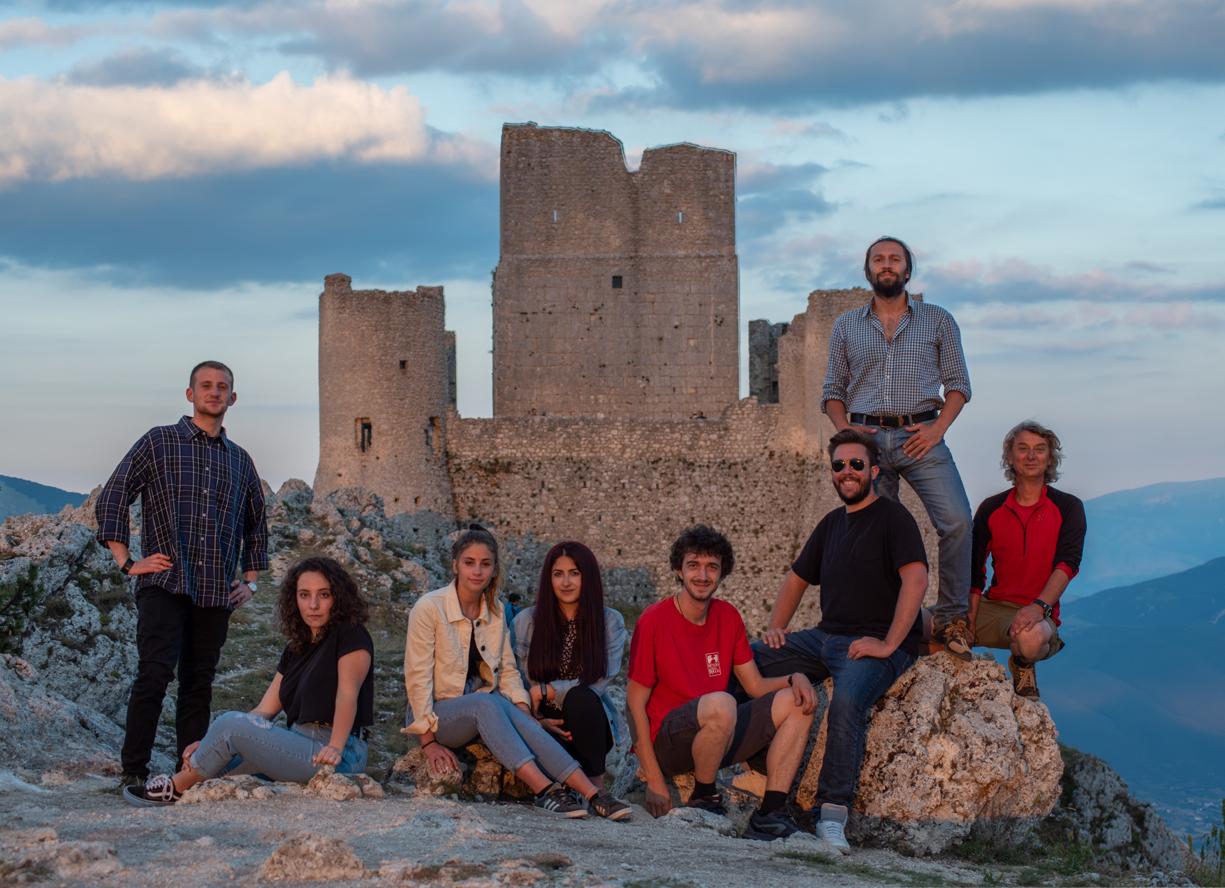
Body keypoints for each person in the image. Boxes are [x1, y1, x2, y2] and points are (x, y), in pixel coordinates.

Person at [96, 360, 268, 787]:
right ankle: (133, 772)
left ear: (233, 398)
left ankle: (190, 774)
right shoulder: (159, 442)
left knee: (198, 684)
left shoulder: (240, 461)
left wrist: (250, 582)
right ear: (190, 394)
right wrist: (128, 562)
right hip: (165, 583)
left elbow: (257, 524)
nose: (214, 392)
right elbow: (114, 495)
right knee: (154, 674)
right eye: (206, 386)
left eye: (222, 387)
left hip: (214, 591)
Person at [756, 429, 928, 854]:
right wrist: (777, 626)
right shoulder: (832, 523)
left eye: (855, 465)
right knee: (750, 659)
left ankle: (831, 814)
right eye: (839, 466)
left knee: (847, 701)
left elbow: (916, 578)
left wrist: (888, 644)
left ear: (873, 471)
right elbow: (797, 577)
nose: (847, 472)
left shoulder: (893, 518)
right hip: (824, 637)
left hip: (871, 643)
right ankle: (752, 765)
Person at [404, 526, 631, 820]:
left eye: (485, 564)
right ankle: (546, 791)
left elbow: (509, 671)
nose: (477, 571)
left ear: (494, 569)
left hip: (478, 710)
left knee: (502, 704)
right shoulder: (429, 607)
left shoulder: (495, 610)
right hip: (435, 717)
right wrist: (429, 742)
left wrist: (525, 712)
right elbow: (417, 677)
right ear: (455, 565)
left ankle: (593, 794)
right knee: (487, 702)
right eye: (469, 563)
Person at [822, 236, 973, 659]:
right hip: (866, 441)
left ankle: (952, 617)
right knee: (872, 536)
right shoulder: (846, 326)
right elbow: (833, 390)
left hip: (920, 435)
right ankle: (886, 620)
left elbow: (959, 384)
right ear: (868, 270)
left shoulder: (938, 320)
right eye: (878, 259)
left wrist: (939, 428)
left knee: (958, 520)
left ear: (908, 270)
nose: (886, 265)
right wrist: (845, 431)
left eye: (894, 259)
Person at [122, 556, 374, 805]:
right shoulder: (296, 648)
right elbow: (264, 711)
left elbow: (347, 694)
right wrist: (211, 742)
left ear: (338, 598)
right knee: (217, 768)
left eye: (324, 595)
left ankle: (173, 788)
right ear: (294, 599)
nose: (314, 605)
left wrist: (336, 746)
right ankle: (183, 784)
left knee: (229, 723)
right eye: (304, 595)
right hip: (295, 743)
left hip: (335, 751)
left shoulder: (351, 635)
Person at [626, 525, 816, 841]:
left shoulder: (727, 617)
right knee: (724, 702)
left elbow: (754, 685)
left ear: (722, 573)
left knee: (797, 702)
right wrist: (654, 781)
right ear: (679, 570)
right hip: (670, 742)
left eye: (712, 567)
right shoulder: (653, 621)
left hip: (718, 731)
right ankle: (703, 795)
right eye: (694, 565)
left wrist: (795, 678)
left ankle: (770, 813)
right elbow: (634, 705)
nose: (703, 575)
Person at [970, 421, 1086, 699]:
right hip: (993, 606)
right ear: (1010, 456)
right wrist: (969, 620)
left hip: (1040, 615)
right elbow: (974, 569)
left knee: (1030, 641)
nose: (1031, 456)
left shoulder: (1068, 507)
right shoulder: (992, 508)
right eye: (1022, 449)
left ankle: (1022, 665)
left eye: (1039, 449)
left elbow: (1067, 564)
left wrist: (1038, 606)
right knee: (921, 623)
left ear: (1049, 458)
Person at [513, 541, 627, 785]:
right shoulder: (526, 622)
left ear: (589, 578)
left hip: (588, 722)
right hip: (540, 722)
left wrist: (547, 690)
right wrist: (535, 720)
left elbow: (599, 681)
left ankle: (596, 787)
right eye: (558, 574)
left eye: (574, 573)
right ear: (548, 579)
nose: (566, 582)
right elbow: (514, 679)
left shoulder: (610, 622)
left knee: (581, 697)